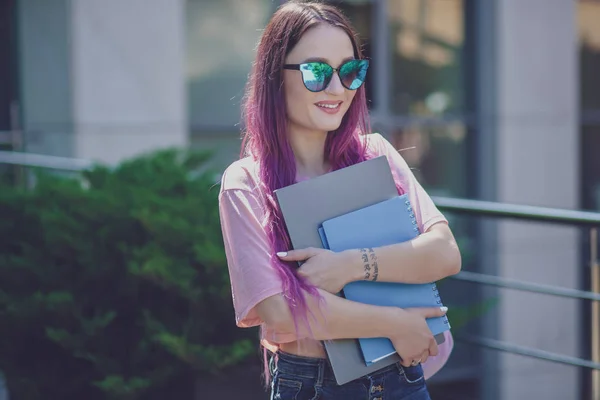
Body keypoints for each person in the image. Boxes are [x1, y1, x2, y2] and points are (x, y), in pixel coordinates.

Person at [218, 1, 461, 398]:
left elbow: (445, 253)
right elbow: (280, 313)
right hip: (314, 384)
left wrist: (350, 265)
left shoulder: (376, 154)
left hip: (401, 375)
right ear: (275, 76)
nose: (337, 89)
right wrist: (395, 323)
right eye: (316, 72)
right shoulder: (246, 183)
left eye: (350, 71)